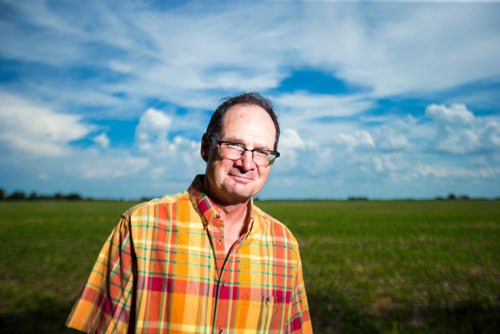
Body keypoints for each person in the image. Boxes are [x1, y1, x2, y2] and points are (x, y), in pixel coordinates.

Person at [66, 92, 312, 333]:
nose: (247, 164)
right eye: (234, 145)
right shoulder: (141, 226)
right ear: (206, 147)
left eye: (261, 152)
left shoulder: (284, 244)